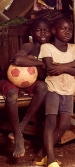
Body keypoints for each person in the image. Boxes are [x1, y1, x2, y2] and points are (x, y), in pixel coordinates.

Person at [37, 17, 75, 167]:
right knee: (50, 122)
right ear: (53, 31)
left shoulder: (74, 48)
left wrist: (63, 66)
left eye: (69, 29)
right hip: (53, 90)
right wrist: (72, 65)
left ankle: (41, 154)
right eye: (63, 29)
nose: (67, 32)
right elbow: (50, 68)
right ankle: (50, 159)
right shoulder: (46, 47)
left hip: (68, 91)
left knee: (64, 124)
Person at [0, 18, 51, 157]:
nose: (42, 33)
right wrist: (39, 63)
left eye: (46, 30)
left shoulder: (49, 50)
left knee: (42, 86)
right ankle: (18, 137)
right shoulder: (29, 46)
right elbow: (17, 60)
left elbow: (41, 76)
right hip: (10, 80)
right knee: (11, 93)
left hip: (28, 82)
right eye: (38, 30)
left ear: (51, 32)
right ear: (32, 32)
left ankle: (21, 127)